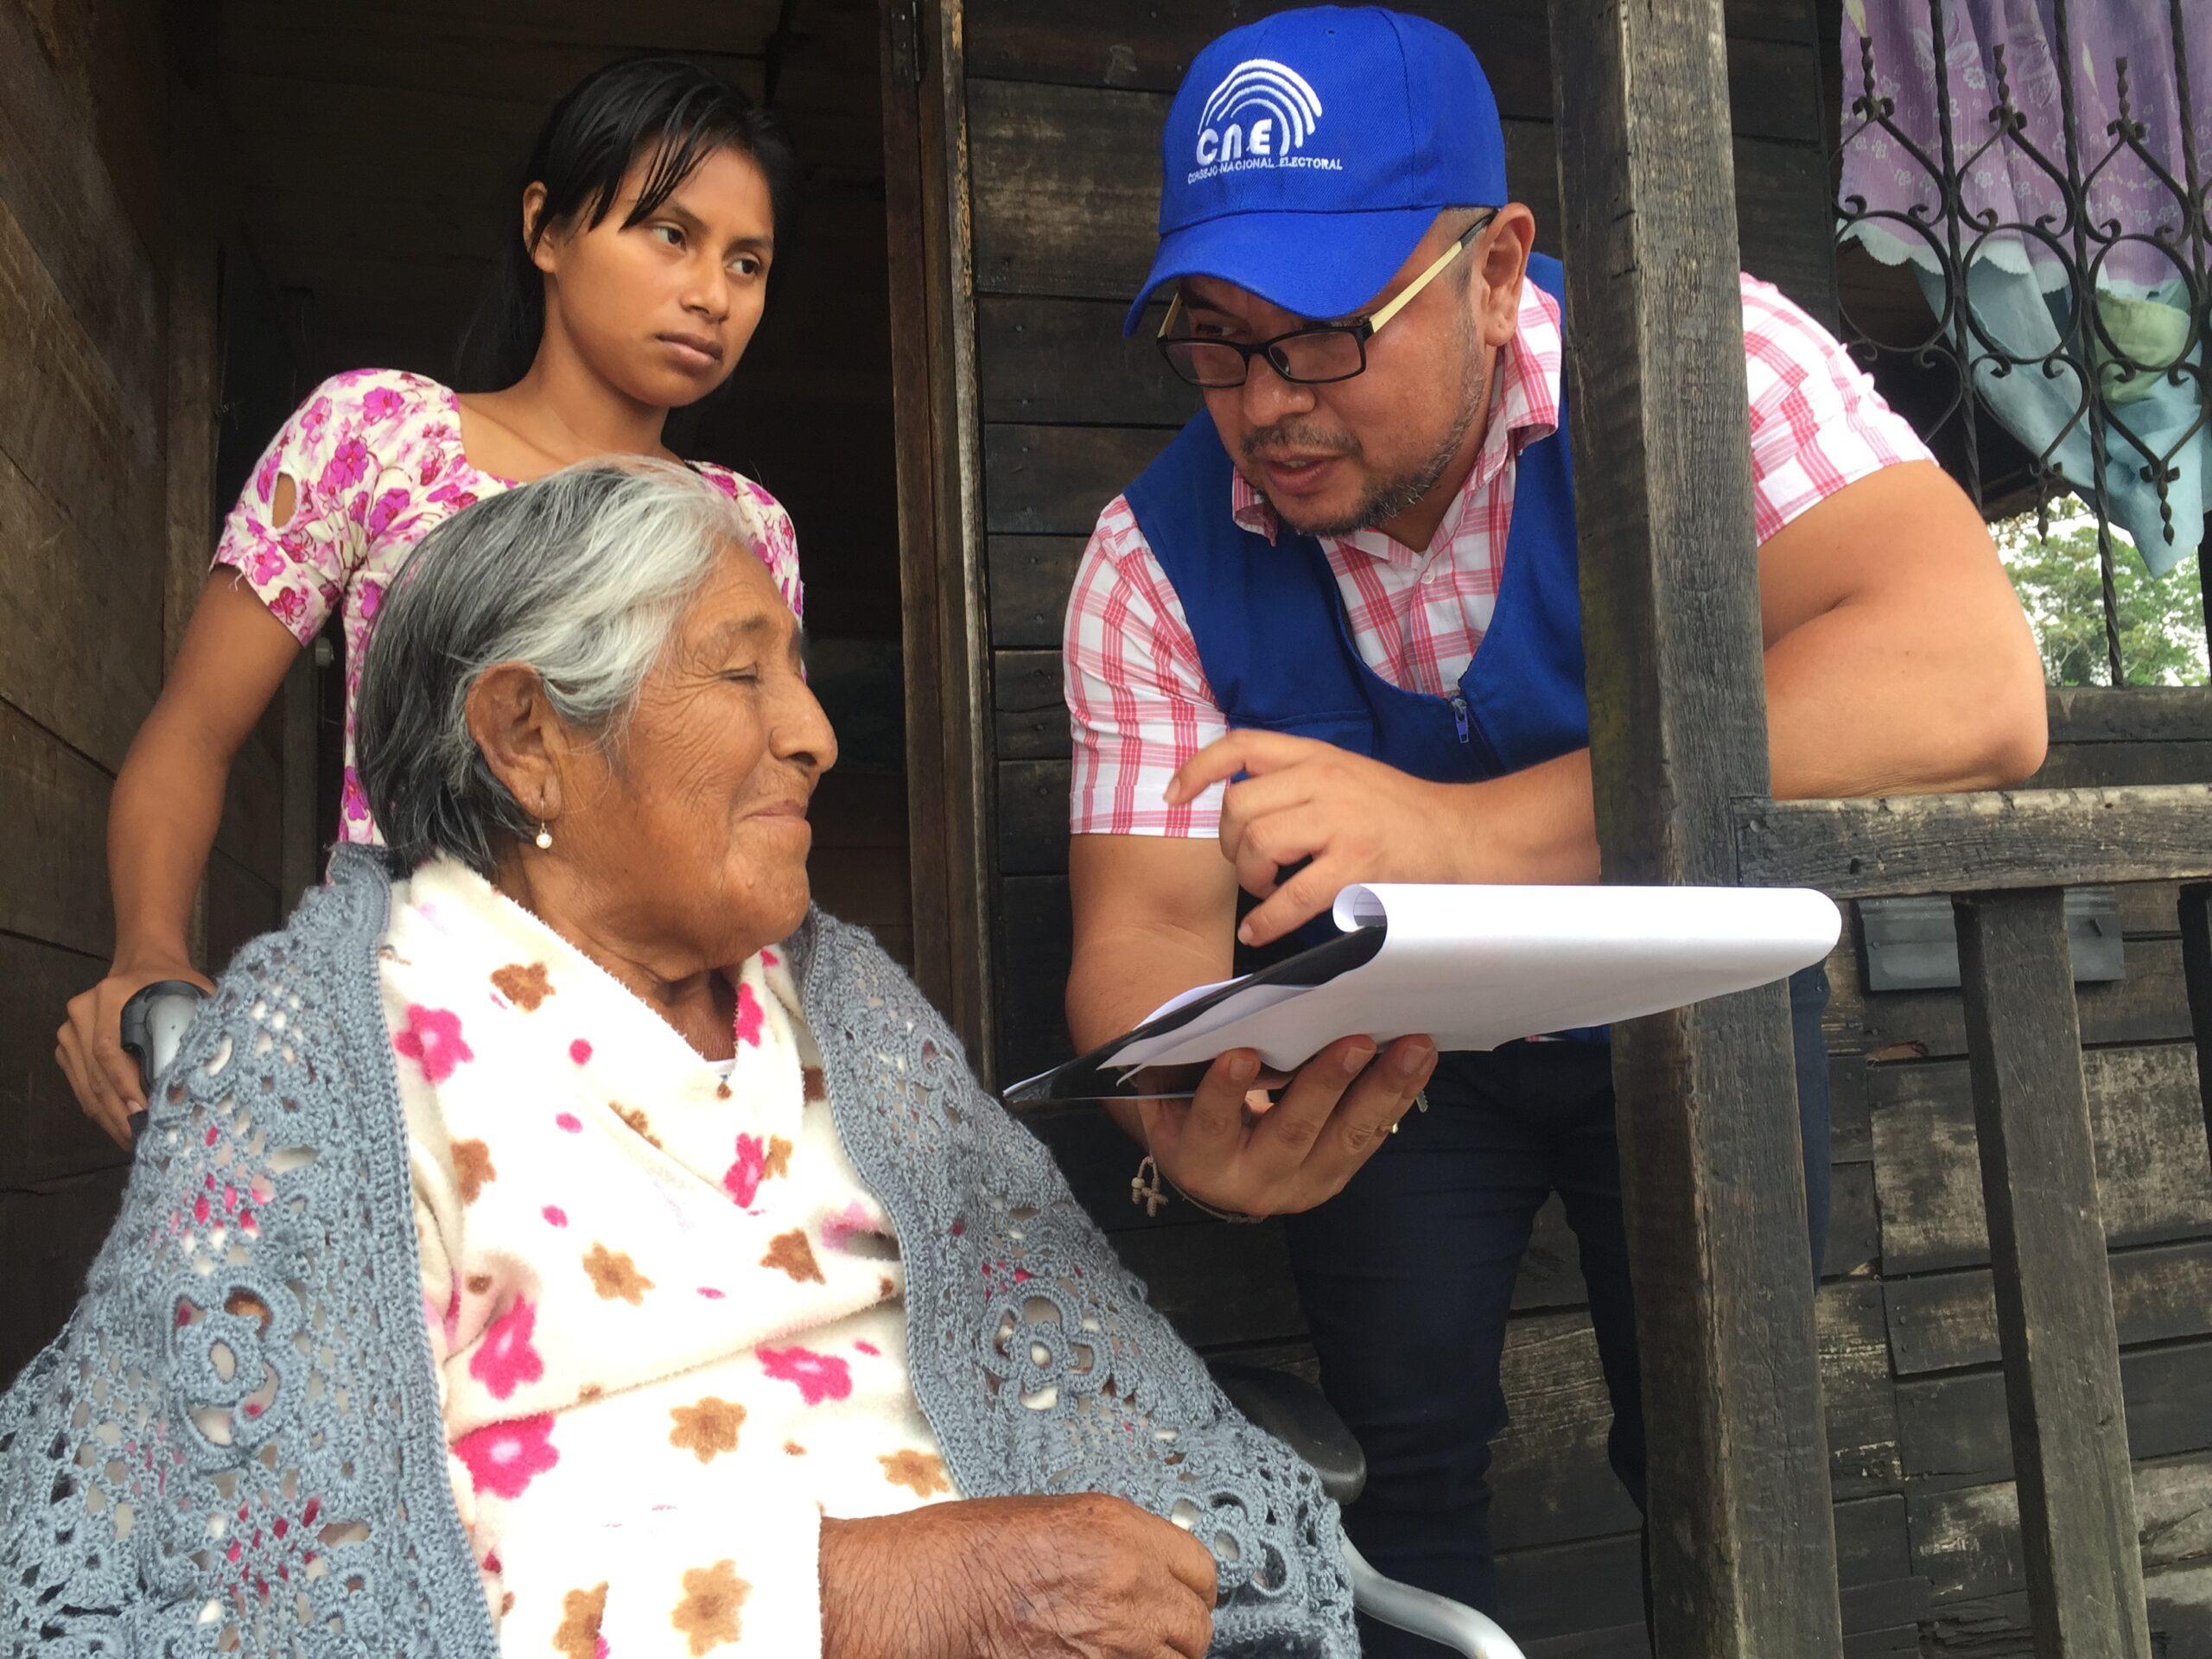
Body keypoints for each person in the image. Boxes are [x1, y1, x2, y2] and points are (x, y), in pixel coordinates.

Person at [1, 460, 1431, 1657]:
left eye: (796, 678)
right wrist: (860, 1596)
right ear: (529, 737)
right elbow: (242, 1591)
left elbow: (1053, 1354)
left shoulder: (848, 1015)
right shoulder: (334, 1065)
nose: (812, 736)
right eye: (744, 673)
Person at [1060, 7, 2050, 1647]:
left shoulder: (1697, 351)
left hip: (1687, 1000)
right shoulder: (1148, 553)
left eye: (1320, 331)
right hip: (1378, 1055)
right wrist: (1183, 1125)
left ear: (1496, 262)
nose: (1265, 404)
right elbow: (1144, 943)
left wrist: (1466, 831)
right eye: (1215, 341)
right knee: (1401, 1457)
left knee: (1727, 1441)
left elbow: (1968, 682)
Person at [56, 55, 805, 1150]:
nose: (713, 294)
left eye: (749, 262)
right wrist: (151, 955)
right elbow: (195, 731)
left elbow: (751, 826)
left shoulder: (747, 531)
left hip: (662, 1080)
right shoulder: (377, 437)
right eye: (670, 235)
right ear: (545, 231)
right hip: (399, 1045)